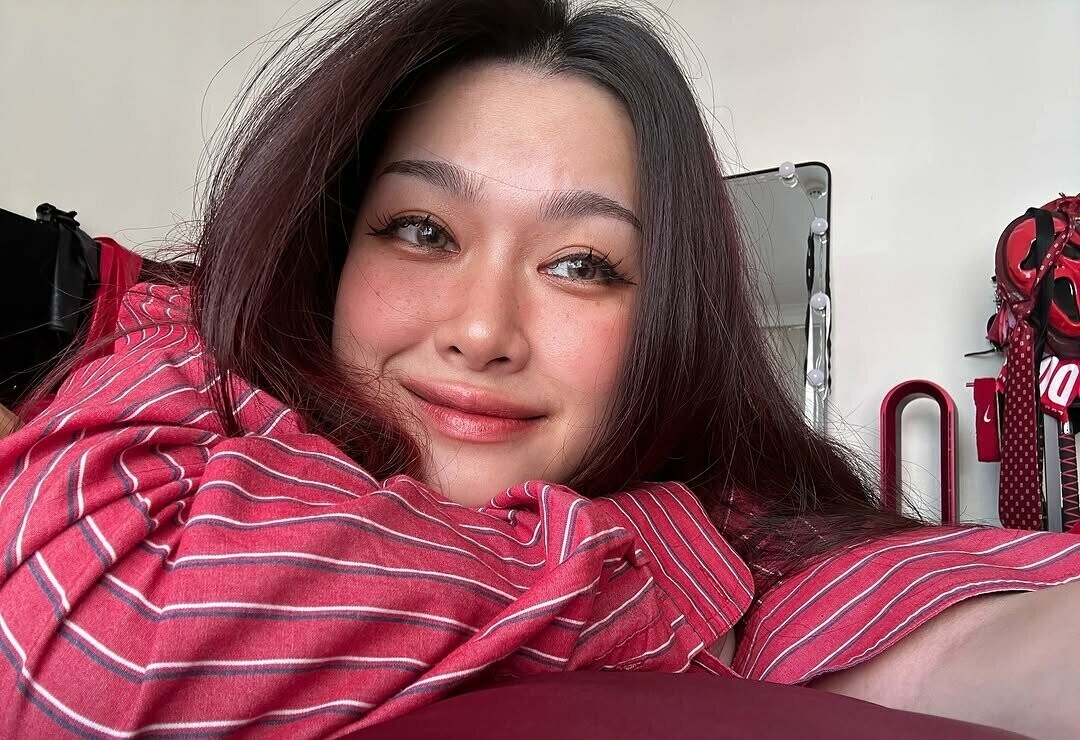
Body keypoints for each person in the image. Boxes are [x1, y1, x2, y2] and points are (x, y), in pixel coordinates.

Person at [0, 0, 1077, 737]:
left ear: (665, 319)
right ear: (331, 252)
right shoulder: (187, 374)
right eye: (422, 230)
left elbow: (964, 631)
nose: (482, 330)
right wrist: (649, 568)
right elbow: (99, 659)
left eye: (581, 264)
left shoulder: (744, 532)